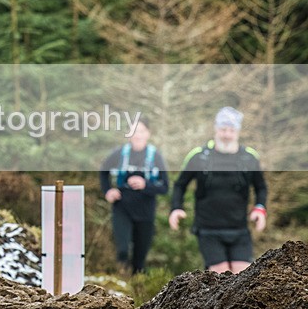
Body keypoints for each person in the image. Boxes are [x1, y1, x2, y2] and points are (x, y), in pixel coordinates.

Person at [169, 107, 268, 274]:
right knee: (221, 277)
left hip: (239, 229)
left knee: (243, 277)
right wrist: (176, 208)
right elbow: (180, 184)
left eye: (231, 130)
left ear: (237, 132)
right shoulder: (199, 156)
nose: (227, 134)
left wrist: (260, 208)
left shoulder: (249, 157)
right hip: (208, 230)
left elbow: (261, 187)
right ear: (216, 129)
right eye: (223, 129)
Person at [100, 118, 169, 274]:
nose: (137, 135)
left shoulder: (155, 156)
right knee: (123, 250)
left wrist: (145, 185)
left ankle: (135, 284)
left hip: (146, 211)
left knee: (139, 260)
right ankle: (120, 276)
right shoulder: (120, 154)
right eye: (134, 131)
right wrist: (108, 191)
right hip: (122, 207)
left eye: (141, 131)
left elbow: (165, 187)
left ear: (148, 134)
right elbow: (103, 171)